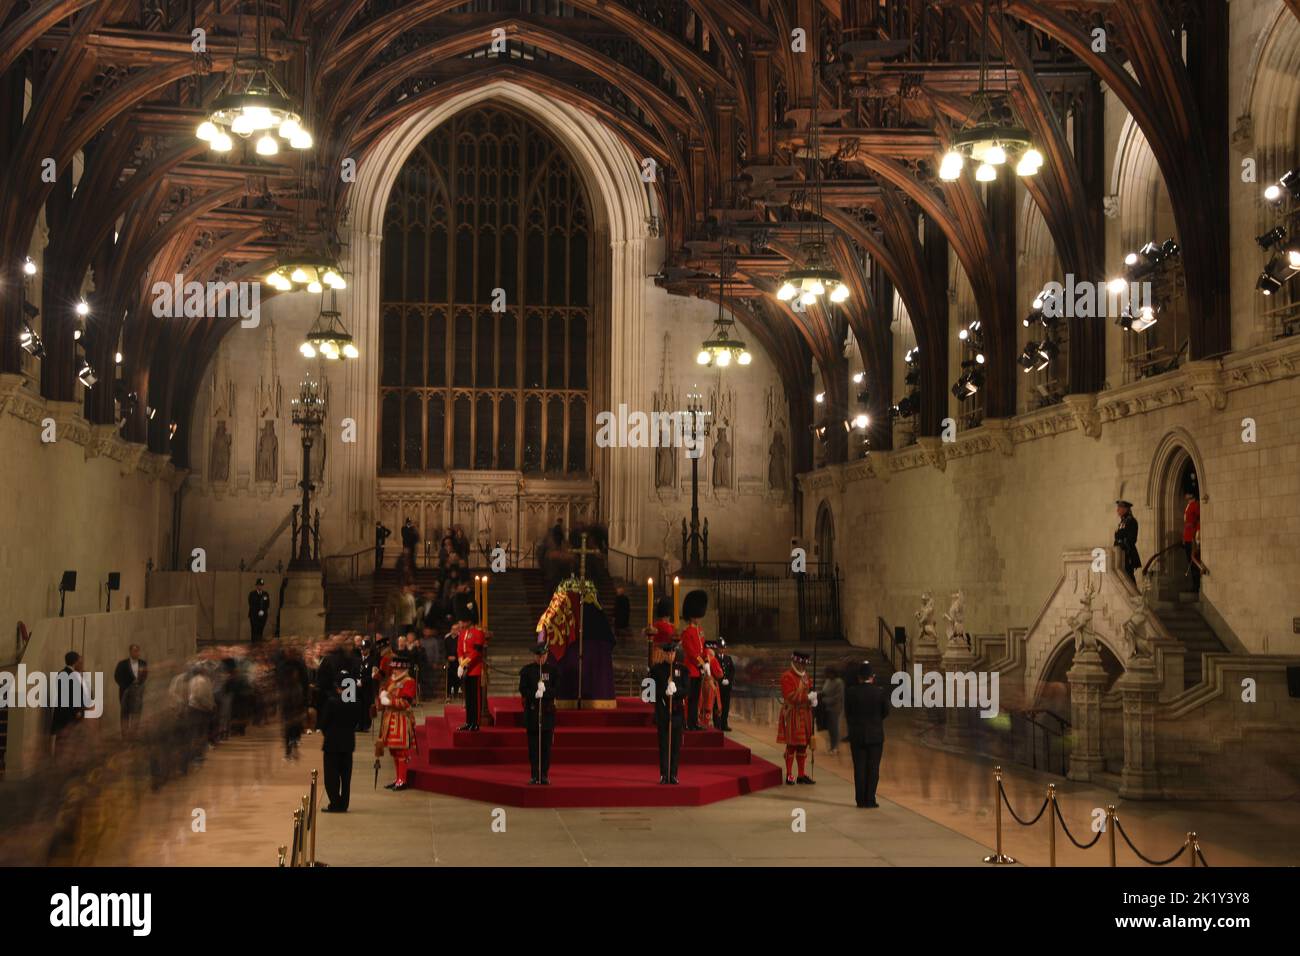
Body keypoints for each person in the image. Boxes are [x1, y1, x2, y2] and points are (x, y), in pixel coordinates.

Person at [843, 660, 890, 808]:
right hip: (875, 735)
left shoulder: (850, 692)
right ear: (872, 677)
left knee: (859, 768)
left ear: (859, 677)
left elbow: (848, 713)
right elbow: (885, 712)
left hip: (857, 735)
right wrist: (875, 722)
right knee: (873, 768)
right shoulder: (880, 692)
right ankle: (870, 799)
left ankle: (860, 800)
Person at [518, 643, 560, 784]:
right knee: (533, 747)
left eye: (543, 655)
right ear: (534, 656)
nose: (540, 658)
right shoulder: (527, 671)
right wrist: (534, 694)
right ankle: (534, 774)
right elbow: (522, 689)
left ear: (547, 655)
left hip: (547, 713)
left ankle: (544, 775)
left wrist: (545, 692)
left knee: (546, 747)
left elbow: (557, 690)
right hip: (532, 711)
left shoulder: (553, 671)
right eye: (538, 655)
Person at [319, 669, 360, 812]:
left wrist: (328, 733)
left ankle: (335, 803)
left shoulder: (332, 702)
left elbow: (323, 723)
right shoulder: (354, 703)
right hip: (348, 744)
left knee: (331, 777)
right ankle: (344, 804)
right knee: (345, 777)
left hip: (332, 744)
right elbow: (356, 722)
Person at [376, 652, 418, 790]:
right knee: (394, 751)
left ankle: (403, 779)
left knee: (402, 752)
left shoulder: (409, 682)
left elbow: (406, 703)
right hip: (390, 719)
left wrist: (389, 701)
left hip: (401, 720)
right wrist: (381, 695)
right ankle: (398, 778)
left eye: (396, 668)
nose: (394, 670)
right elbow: (385, 692)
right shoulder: (392, 680)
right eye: (394, 668)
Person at [649, 640, 687, 784]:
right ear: (664, 654)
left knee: (675, 746)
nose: (671, 655)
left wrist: (676, 691)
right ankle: (664, 774)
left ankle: (674, 774)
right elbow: (648, 693)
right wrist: (663, 692)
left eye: (673, 653)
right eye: (668, 653)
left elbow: (687, 689)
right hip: (663, 712)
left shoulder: (682, 670)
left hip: (677, 712)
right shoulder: (656, 670)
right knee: (664, 745)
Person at [778, 650, 816, 785]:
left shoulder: (805, 676)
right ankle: (789, 774)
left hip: (805, 714)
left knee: (803, 746)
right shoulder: (787, 676)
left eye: (804, 664)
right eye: (801, 664)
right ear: (795, 662)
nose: (803, 667)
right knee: (792, 745)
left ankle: (801, 775)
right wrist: (807, 697)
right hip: (793, 714)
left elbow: (809, 689)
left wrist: (813, 700)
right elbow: (790, 696)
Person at [454, 593, 486, 731]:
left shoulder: (478, 632)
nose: (461, 622)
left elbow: (477, 652)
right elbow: (460, 650)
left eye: (463, 620)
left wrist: (465, 664)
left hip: (474, 669)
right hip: (465, 668)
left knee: (475, 698)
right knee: (468, 699)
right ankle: (468, 722)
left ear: (469, 620)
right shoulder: (462, 633)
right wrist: (461, 664)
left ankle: (475, 722)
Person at [678, 590, 710, 730]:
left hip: (698, 670)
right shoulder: (687, 633)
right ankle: (687, 721)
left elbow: (703, 648)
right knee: (689, 698)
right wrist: (702, 664)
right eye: (696, 616)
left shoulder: (700, 630)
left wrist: (707, 659)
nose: (698, 619)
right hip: (690, 670)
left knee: (696, 699)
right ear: (691, 616)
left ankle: (693, 722)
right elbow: (691, 653)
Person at [49, 651, 86, 757]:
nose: (81, 662)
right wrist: (77, 711)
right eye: (79, 660)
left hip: (62, 712)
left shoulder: (62, 673)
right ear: (75, 661)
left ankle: (61, 761)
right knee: (67, 738)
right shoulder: (71, 675)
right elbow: (70, 695)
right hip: (69, 713)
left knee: (62, 738)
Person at [113, 644, 147, 737]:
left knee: (136, 714)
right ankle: (125, 735)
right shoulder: (122, 664)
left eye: (138, 651)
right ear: (130, 652)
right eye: (134, 651)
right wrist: (125, 686)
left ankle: (133, 734)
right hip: (125, 691)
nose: (137, 653)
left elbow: (145, 675)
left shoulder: (143, 663)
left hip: (137, 692)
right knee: (125, 713)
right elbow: (117, 676)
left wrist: (139, 684)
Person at [819, 665, 845, 755]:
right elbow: (824, 691)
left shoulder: (839, 682)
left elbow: (838, 697)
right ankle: (832, 746)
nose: (826, 675)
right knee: (830, 729)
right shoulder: (827, 680)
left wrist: (825, 700)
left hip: (835, 708)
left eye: (827, 673)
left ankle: (835, 747)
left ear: (832, 673)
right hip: (827, 708)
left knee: (834, 728)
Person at [698, 640, 724, 729]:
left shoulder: (699, 657)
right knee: (708, 704)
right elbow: (719, 673)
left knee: (701, 703)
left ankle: (700, 721)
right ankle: (705, 723)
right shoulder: (713, 658)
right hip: (710, 683)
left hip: (701, 683)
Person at [1114, 499, 1141, 582]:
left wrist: (1122, 545)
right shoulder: (1122, 522)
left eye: (1119, 507)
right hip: (1120, 553)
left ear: (1125, 509)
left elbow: (1132, 539)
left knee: (1129, 577)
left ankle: (1134, 595)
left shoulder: (1131, 521)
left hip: (1127, 553)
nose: (1117, 510)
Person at [1183, 490, 1201, 593]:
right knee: (1190, 561)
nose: (1185, 494)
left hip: (1193, 537)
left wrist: (1197, 532)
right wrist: (1184, 538)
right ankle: (1194, 584)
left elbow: (1198, 519)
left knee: (1194, 562)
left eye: (1187, 492)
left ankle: (1196, 586)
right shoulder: (1188, 505)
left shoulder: (1195, 505)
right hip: (1188, 537)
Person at [715, 638, 735, 732]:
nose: (722, 649)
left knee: (726, 705)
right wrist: (720, 680)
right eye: (720, 648)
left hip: (726, 687)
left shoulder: (728, 658)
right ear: (717, 648)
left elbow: (732, 671)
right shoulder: (714, 658)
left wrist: (728, 680)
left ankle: (724, 724)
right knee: (717, 706)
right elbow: (713, 672)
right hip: (718, 686)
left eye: (723, 648)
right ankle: (717, 724)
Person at [248, 578, 271, 642]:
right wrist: (258, 611)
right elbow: (251, 604)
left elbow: (267, 604)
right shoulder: (252, 594)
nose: (260, 586)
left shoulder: (265, 594)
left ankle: (259, 645)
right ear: (256, 585)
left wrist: (262, 611)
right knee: (254, 631)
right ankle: (254, 645)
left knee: (260, 630)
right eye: (259, 585)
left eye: (261, 585)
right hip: (254, 616)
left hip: (262, 616)